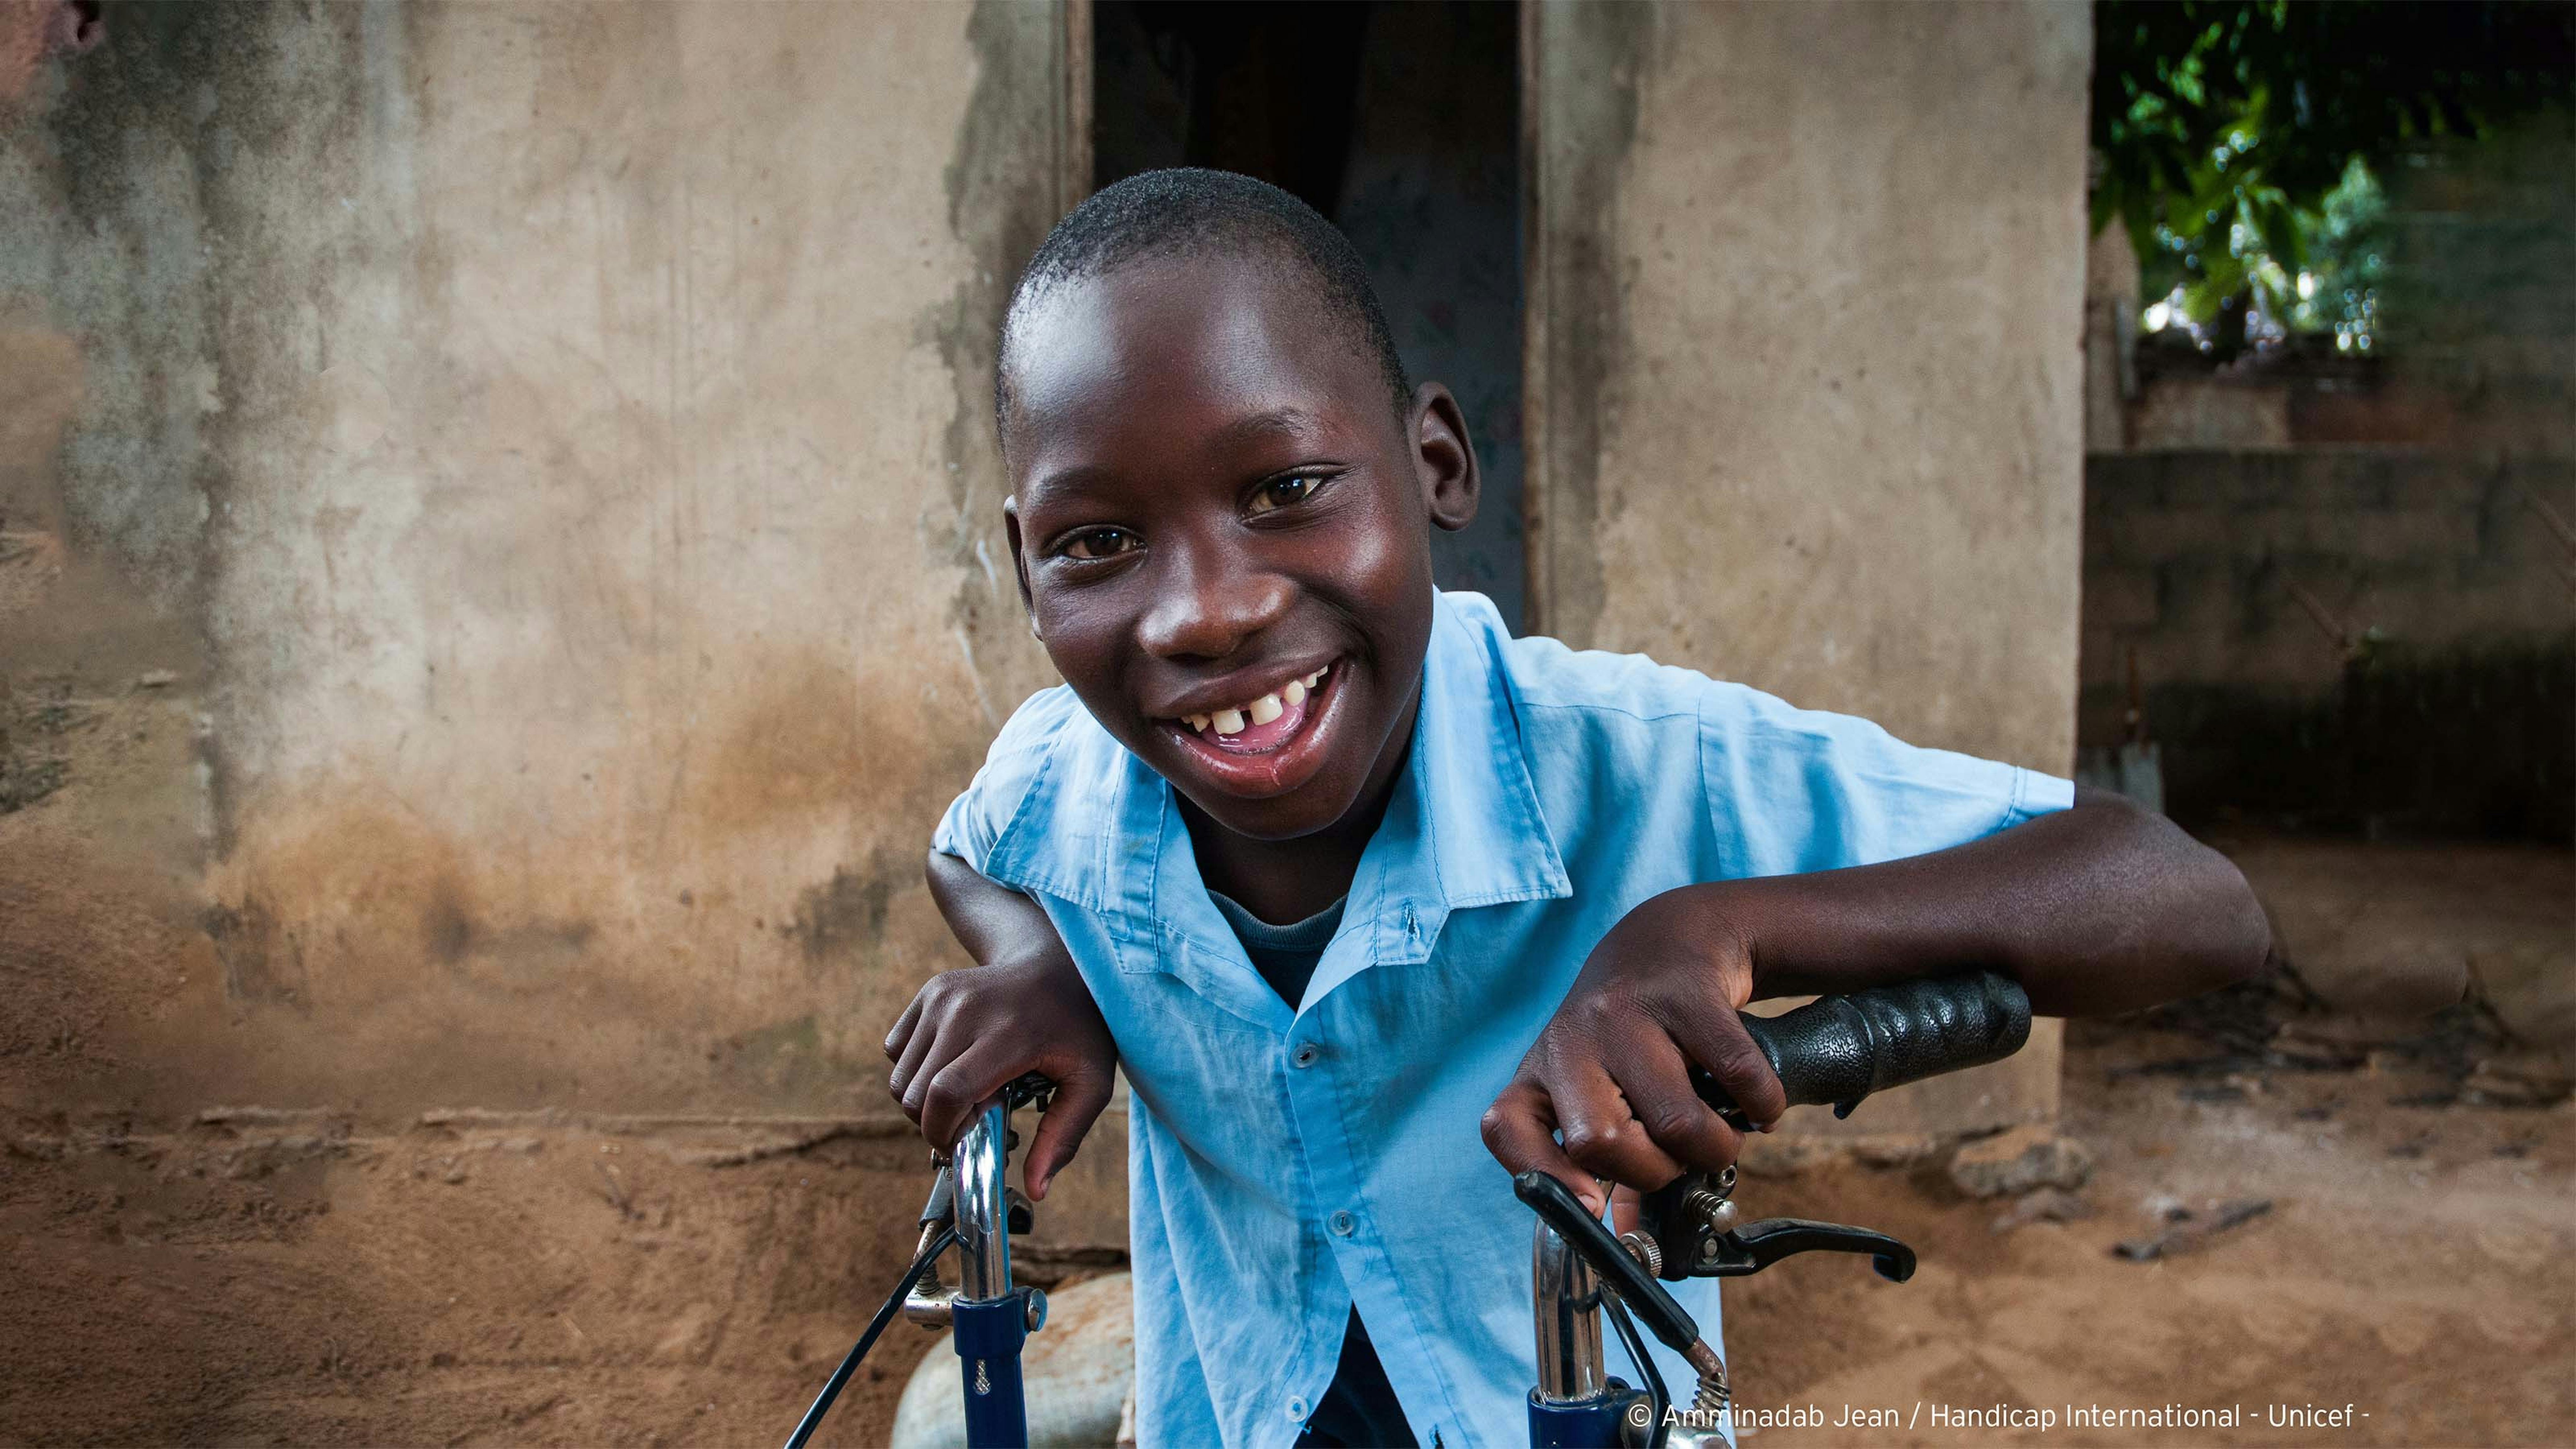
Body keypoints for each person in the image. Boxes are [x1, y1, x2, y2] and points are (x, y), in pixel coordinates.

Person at [884, 168, 2269, 1448]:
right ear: (1025, 567)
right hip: (1233, 1410)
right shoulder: (1067, 781)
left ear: (1434, 465)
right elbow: (970, 849)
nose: (1206, 611)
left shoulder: (1635, 765)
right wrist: (1038, 962)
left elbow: (2186, 899)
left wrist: (1719, 928)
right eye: (1098, 543)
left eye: (1287, 489)